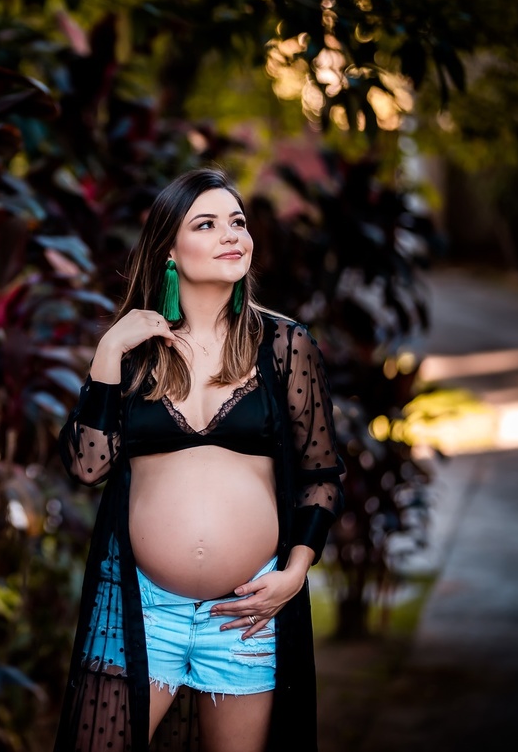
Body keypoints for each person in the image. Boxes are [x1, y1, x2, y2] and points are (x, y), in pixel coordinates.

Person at [54, 169, 345, 752]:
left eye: (236, 222)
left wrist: (295, 571)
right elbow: (89, 467)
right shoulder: (133, 353)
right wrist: (108, 350)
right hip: (141, 608)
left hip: (246, 614)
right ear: (168, 249)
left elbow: (320, 476)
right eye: (206, 224)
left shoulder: (285, 346)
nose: (230, 234)